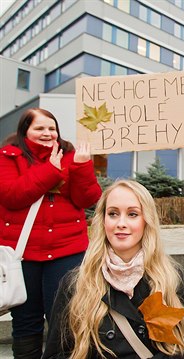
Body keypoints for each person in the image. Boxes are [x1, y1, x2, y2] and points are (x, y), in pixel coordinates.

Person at [43, 179, 184, 358]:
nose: (121, 223)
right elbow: (55, 353)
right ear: (103, 220)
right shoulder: (76, 283)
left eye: (132, 214)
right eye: (113, 213)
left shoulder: (170, 276)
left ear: (146, 221)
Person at [0, 108, 102, 359]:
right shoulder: (7, 158)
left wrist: (82, 167)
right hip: (23, 255)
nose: (47, 133)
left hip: (67, 251)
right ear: (25, 131)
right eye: (39, 128)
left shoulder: (71, 155)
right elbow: (12, 196)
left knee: (66, 318)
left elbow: (88, 198)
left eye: (51, 128)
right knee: (26, 321)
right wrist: (50, 171)